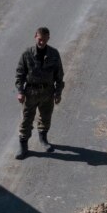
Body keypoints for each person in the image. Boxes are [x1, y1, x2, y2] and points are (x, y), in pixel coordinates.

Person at [14, 27, 65, 160]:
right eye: (39, 39)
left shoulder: (54, 54)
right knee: (26, 120)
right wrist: (20, 91)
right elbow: (20, 74)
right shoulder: (27, 54)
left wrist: (58, 93)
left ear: (48, 38)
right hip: (30, 92)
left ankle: (43, 139)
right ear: (35, 36)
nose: (41, 42)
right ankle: (23, 146)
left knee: (45, 118)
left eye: (44, 39)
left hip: (48, 92)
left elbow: (59, 75)